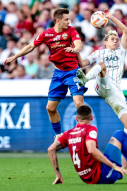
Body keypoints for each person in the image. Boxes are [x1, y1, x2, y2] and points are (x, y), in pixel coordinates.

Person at [4, 8, 85, 139]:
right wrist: (15, 56)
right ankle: (58, 136)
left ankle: (83, 133)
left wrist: (74, 49)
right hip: (58, 73)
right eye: (66, 19)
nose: (68, 22)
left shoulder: (71, 30)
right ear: (57, 21)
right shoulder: (47, 34)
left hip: (75, 72)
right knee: (50, 108)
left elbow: (79, 45)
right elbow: (30, 46)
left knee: (79, 104)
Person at [48, 105, 127, 184]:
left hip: (86, 178)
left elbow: (51, 149)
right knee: (120, 134)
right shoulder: (90, 129)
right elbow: (92, 150)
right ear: (91, 118)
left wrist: (58, 174)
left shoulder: (69, 133)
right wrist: (114, 166)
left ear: (77, 118)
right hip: (100, 176)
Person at [76, 9, 127, 144]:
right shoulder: (99, 53)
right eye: (112, 39)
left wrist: (111, 17)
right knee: (102, 65)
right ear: (105, 42)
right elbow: (83, 63)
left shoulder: (121, 51)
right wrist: (78, 51)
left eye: (117, 39)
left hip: (114, 90)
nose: (116, 41)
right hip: (101, 84)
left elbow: (125, 31)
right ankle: (85, 79)